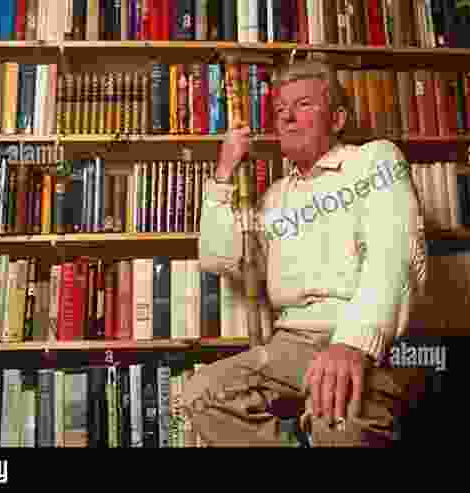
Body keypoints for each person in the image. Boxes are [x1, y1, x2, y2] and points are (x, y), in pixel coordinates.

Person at [181, 60, 428, 447]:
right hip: (287, 346)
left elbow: (393, 253)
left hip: (354, 338)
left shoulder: (374, 161)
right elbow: (220, 258)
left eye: (303, 106)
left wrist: (354, 344)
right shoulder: (276, 196)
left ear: (338, 118)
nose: (288, 119)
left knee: (338, 433)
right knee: (201, 393)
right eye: (280, 111)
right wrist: (224, 173)